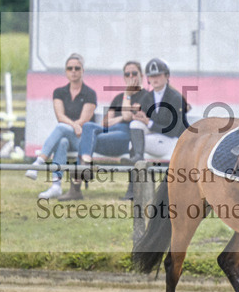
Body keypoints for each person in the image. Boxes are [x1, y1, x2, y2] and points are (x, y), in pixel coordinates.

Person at [26, 53, 97, 201]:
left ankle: (38, 162)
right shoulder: (59, 92)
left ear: (83, 70)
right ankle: (56, 186)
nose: (73, 71)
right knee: (62, 140)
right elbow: (60, 116)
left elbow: (84, 120)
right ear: (66, 71)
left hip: (83, 141)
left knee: (61, 128)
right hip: (69, 135)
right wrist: (74, 125)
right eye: (70, 68)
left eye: (77, 68)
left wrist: (75, 125)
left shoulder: (90, 93)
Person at [118, 57, 191, 201]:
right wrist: (138, 115)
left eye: (158, 75)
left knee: (134, 144)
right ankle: (136, 169)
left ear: (167, 76)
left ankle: (135, 178)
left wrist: (148, 122)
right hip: (157, 138)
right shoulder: (148, 96)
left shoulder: (175, 97)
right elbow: (142, 119)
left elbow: (172, 130)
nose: (154, 79)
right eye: (151, 76)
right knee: (135, 125)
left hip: (173, 142)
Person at [78, 61, 153, 176]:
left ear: (141, 76)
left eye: (134, 73)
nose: (131, 77)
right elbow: (105, 123)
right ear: (124, 77)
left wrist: (127, 95)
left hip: (127, 136)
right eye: (127, 74)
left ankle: (79, 176)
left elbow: (127, 116)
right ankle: (85, 166)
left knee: (85, 141)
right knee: (88, 126)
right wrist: (121, 118)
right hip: (110, 133)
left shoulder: (146, 96)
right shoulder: (118, 98)